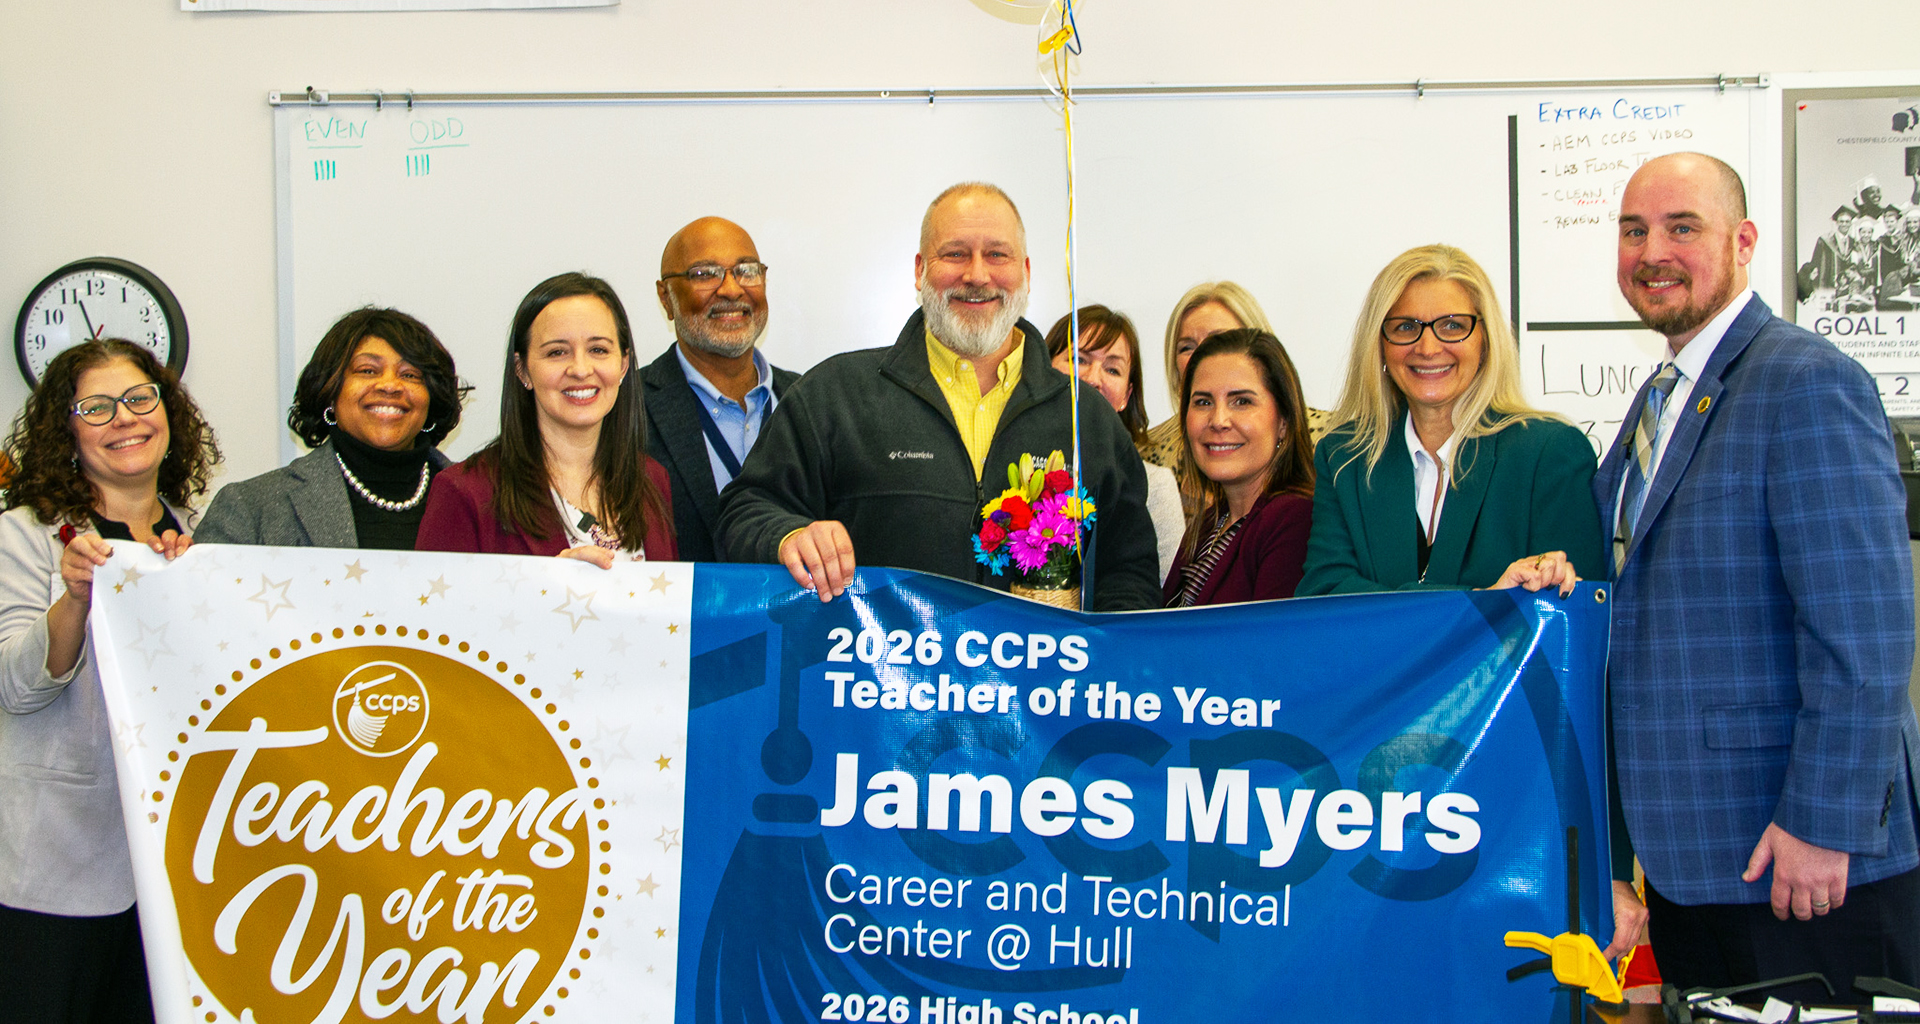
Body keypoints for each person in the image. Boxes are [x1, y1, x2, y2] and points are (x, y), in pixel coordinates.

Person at [1600, 152, 1919, 1001]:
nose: (1652, 252)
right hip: (1699, 859)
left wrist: (1824, 822)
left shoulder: (1807, 382)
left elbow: (1864, 632)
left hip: (1802, 864)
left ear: (1742, 242)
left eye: (1682, 227)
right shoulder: (1660, 399)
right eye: (1634, 231)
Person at [717, 182, 1159, 610]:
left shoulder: (1087, 418)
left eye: (997, 254)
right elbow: (744, 511)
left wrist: (1106, 649)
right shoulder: (836, 394)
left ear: (1025, 273)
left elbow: (1129, 575)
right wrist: (789, 536)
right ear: (920, 270)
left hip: (1041, 665)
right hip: (881, 664)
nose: (977, 275)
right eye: (955, 254)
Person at [0, 339, 219, 1021]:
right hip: (51, 869)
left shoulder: (200, 541)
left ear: (168, 412)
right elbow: (16, 687)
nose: (124, 418)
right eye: (96, 407)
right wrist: (74, 598)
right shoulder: (26, 535)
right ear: (66, 432)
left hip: (172, 876)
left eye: (138, 399)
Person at [1298, 244, 1604, 595]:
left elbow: (1568, 610)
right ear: (1379, 344)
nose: (1428, 348)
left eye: (1452, 325)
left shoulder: (1549, 455)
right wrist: (1481, 600)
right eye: (1405, 327)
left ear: (1486, 341)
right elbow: (1323, 594)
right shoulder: (1345, 457)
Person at [417, 273, 675, 564]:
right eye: (557, 352)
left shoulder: (651, 479)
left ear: (623, 365)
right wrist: (544, 588)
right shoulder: (465, 492)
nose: (580, 369)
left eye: (598, 350)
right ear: (522, 370)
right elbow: (436, 595)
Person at [197, 307, 467, 549]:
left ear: (431, 398)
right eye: (367, 370)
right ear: (330, 391)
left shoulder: (479, 501)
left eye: (410, 375)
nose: (390, 385)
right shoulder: (250, 509)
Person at [643, 217, 799, 562]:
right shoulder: (624, 409)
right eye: (705, 274)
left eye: (747, 271)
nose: (731, 289)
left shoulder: (811, 400)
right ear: (665, 298)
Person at [1163, 329, 1314, 606]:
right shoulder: (1210, 522)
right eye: (1203, 402)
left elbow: (1268, 632)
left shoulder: (1295, 519)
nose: (1218, 420)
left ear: (1283, 422)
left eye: (1242, 401)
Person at [1044, 305, 1184, 583]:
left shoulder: (1155, 485)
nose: (1093, 379)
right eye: (1079, 359)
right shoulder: (1012, 463)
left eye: (1112, 369)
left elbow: (1161, 593)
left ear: (1126, 396)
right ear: (1043, 371)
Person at [1140, 283, 1334, 474]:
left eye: (1219, 341)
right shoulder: (1148, 457)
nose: (1202, 356)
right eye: (1187, 348)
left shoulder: (1330, 441)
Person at [1796, 206, 1855, 302]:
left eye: (1847, 222)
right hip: (1828, 284)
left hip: (1846, 287)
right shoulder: (1825, 240)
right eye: (1841, 221)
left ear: (1851, 223)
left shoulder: (1853, 242)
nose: (1844, 224)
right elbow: (1816, 264)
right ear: (1836, 223)